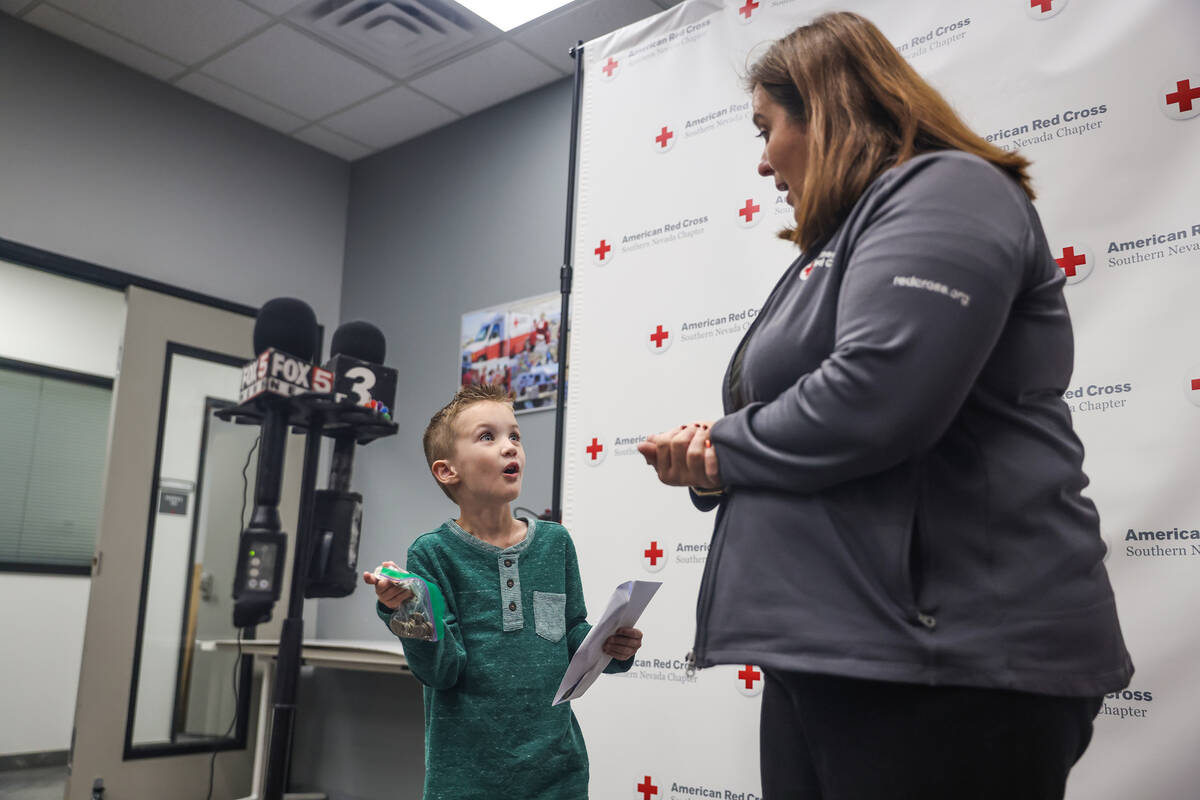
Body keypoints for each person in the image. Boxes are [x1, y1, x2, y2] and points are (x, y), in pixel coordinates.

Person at [635, 12, 1132, 800]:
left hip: (949, 663)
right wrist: (714, 463)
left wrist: (727, 449)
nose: (763, 162)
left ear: (824, 110)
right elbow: (813, 410)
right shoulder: (836, 243)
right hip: (841, 650)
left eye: (767, 128)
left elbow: (875, 397)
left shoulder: (951, 188)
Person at [365, 383, 643, 800]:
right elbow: (441, 671)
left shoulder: (556, 544)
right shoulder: (433, 553)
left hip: (558, 773)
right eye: (487, 437)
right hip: (466, 780)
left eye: (514, 435)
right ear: (447, 470)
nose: (510, 446)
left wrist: (611, 645)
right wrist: (408, 611)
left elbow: (570, 639)